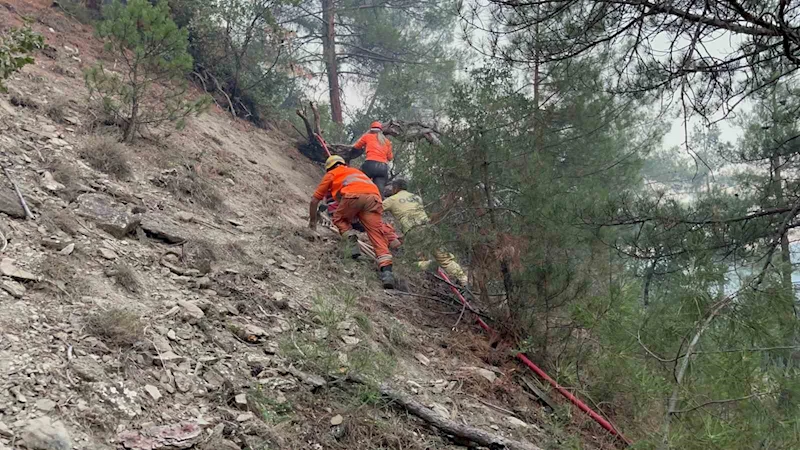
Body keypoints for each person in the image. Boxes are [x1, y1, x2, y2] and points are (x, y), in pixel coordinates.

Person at [309, 155, 395, 288]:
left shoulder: (332, 174)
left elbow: (315, 200)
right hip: (374, 198)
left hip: (353, 196)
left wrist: (312, 222)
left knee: (339, 218)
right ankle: (387, 272)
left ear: (329, 168)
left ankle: (352, 244)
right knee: (377, 235)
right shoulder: (357, 172)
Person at [383, 178, 468, 286]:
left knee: (409, 263)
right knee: (445, 259)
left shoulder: (392, 200)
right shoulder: (416, 197)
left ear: (395, 188)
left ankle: (429, 265)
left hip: (414, 231)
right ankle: (464, 280)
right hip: (430, 229)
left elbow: (374, 208)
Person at [354, 121, 392, 196]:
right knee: (379, 192)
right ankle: (378, 201)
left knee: (360, 183)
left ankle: (359, 198)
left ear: (371, 130)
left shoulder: (367, 136)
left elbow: (356, 146)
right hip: (383, 167)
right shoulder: (387, 141)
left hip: (370, 164)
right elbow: (390, 157)